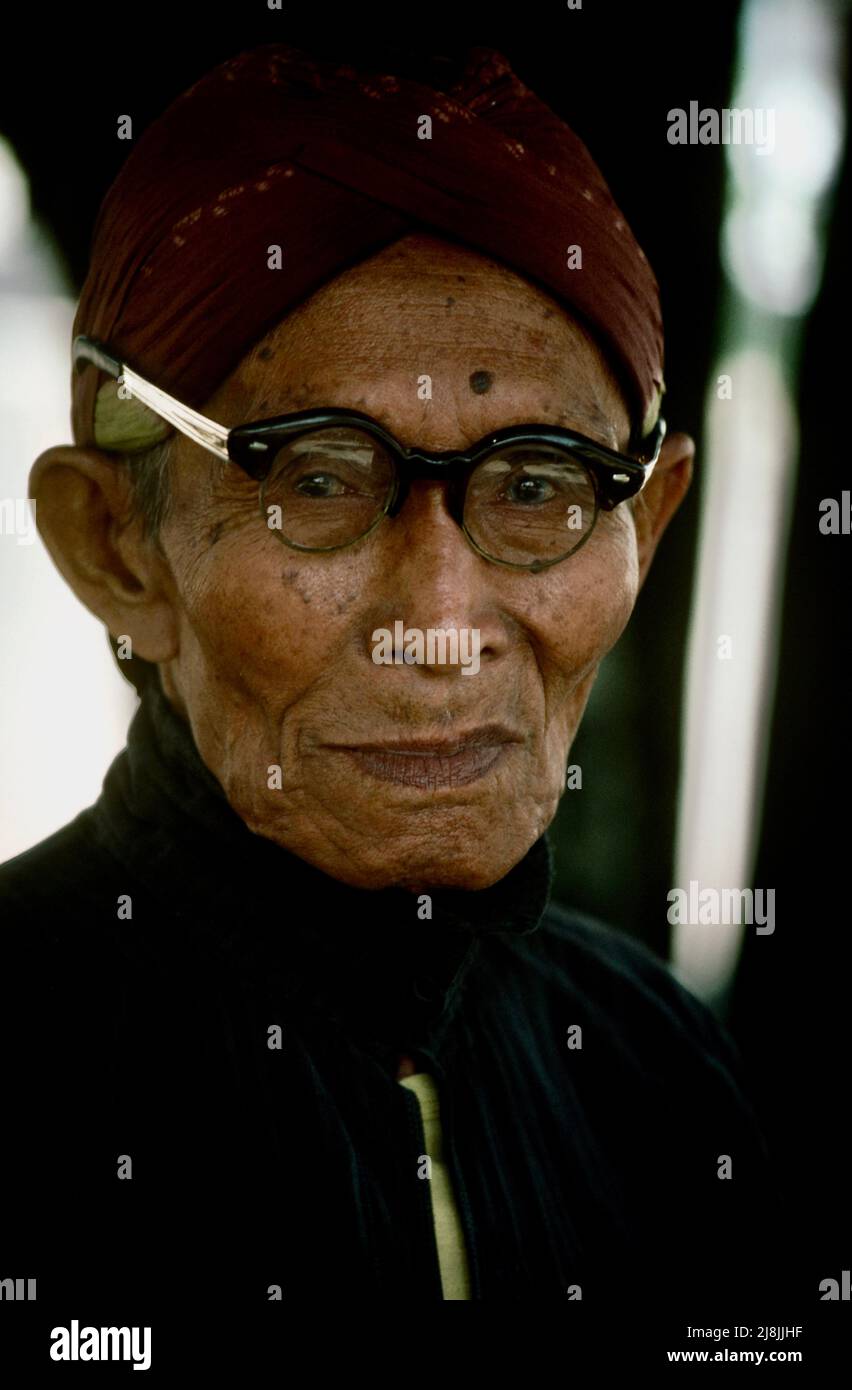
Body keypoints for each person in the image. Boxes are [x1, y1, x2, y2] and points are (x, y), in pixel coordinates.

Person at [0, 41, 793, 1344]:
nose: (438, 624)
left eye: (537, 486)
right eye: (316, 479)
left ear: (647, 526)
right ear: (115, 544)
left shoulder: (660, 1075)